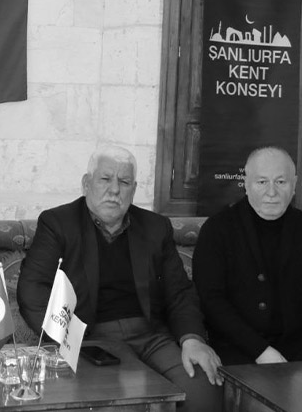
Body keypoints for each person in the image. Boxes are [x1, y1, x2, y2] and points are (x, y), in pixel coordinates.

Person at [17, 146, 222, 412]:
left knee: (205, 388)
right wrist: (66, 339)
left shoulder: (156, 227)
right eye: (105, 179)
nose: (115, 190)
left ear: (133, 190)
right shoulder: (58, 223)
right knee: (117, 403)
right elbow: (32, 288)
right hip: (89, 338)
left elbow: (180, 292)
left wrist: (192, 339)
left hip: (150, 336)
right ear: (86, 184)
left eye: (124, 182)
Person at [194, 146, 302, 365]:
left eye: (281, 182)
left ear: (294, 185)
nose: (271, 192)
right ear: (246, 184)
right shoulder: (218, 229)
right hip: (238, 351)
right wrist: (261, 351)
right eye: (262, 182)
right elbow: (211, 301)